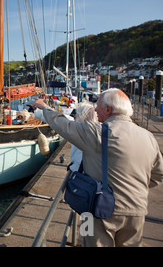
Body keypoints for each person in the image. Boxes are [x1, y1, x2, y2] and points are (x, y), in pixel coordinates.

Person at [33, 88, 163, 247]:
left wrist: (44, 107)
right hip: (137, 211)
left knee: (88, 238)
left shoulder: (98, 132)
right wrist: (134, 188)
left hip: (98, 209)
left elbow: (63, 125)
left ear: (108, 109)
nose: (95, 109)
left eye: (98, 105)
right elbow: (158, 175)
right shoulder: (148, 137)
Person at [68, 102, 98, 172]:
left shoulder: (81, 133)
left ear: (83, 117)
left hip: (79, 173)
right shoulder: (97, 131)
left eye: (77, 114)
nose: (74, 117)